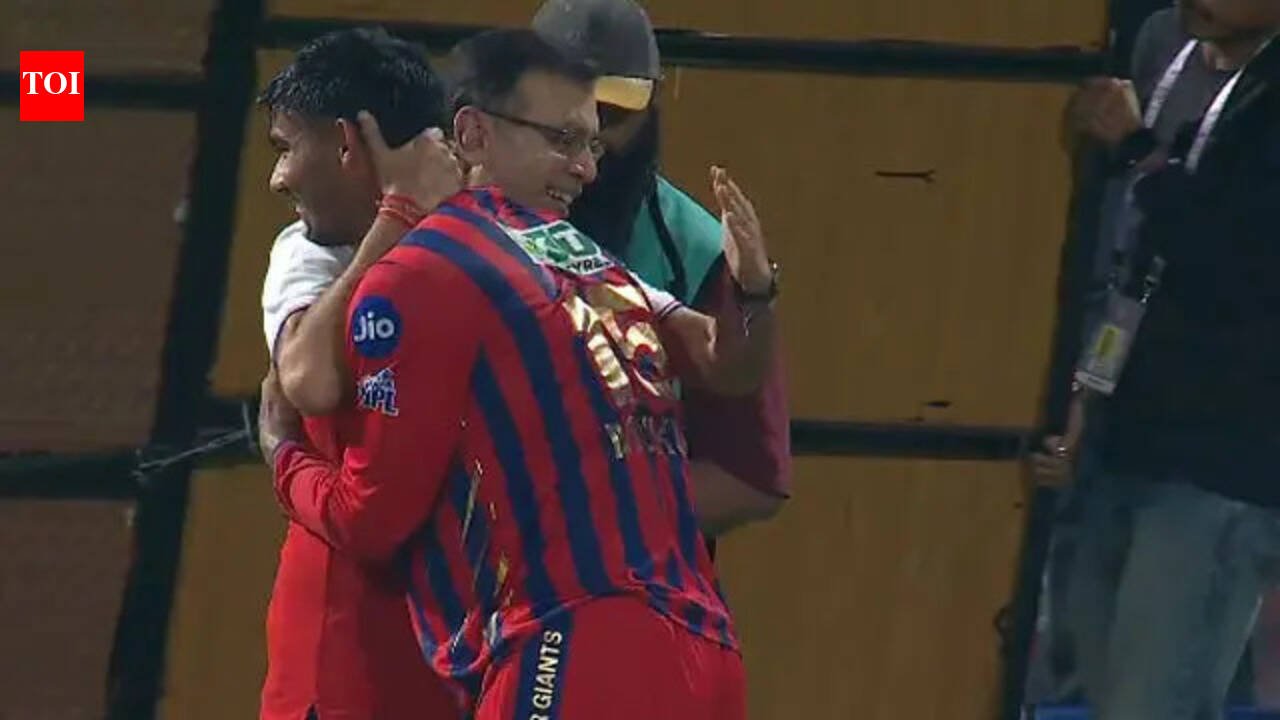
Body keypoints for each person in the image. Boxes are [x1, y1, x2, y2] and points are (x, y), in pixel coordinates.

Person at [263, 28, 777, 718]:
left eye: (589, 144)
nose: (587, 169)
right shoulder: (582, 257)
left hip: (568, 640)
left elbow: (371, 510)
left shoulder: (422, 270)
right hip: (704, 648)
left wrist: (284, 457)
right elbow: (724, 362)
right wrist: (755, 295)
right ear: (471, 133)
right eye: (564, 141)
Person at [1033, 1, 1280, 717]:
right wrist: (1084, 392)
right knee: (1100, 684)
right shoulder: (1161, 42)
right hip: (1124, 431)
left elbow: (1242, 264)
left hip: (1220, 462)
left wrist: (1142, 152)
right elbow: (1131, 264)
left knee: (1156, 700)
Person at [253, 27, 463, 720]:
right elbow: (308, 381)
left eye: (286, 148)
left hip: (463, 663)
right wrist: (400, 216)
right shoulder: (303, 253)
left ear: (345, 143)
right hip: (336, 668)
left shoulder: (479, 240)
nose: (278, 178)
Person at [532, 0, 791, 534]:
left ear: (653, 104)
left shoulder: (701, 254)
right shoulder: (444, 222)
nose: (591, 145)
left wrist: (576, 522)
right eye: (565, 122)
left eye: (612, 115)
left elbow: (749, 478)